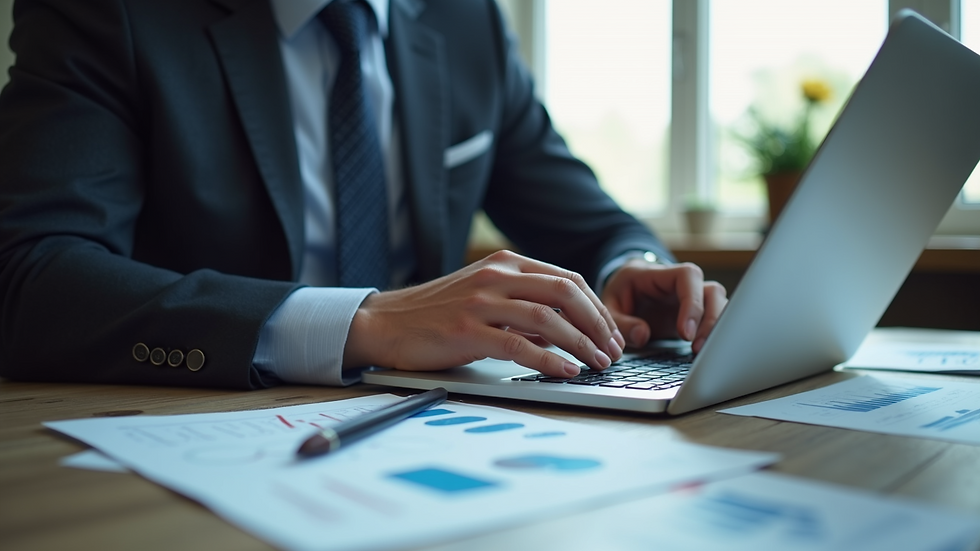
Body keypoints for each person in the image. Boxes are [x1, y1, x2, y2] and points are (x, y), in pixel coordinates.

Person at [0, 0, 726, 389]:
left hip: (431, 432)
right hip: (192, 435)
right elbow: (30, 276)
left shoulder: (464, 20)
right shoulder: (111, 13)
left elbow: (587, 221)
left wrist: (626, 268)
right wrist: (365, 323)